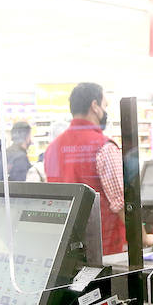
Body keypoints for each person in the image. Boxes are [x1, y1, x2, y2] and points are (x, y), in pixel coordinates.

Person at [42, 82, 126, 254]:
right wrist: (144, 237)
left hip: (68, 247)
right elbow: (119, 203)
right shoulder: (105, 147)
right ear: (95, 106)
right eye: (105, 105)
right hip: (105, 248)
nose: (105, 111)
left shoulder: (52, 149)